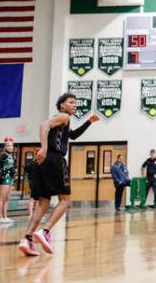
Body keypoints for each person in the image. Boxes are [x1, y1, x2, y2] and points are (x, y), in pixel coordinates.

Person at [18, 93, 99, 257]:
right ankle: (45, 231)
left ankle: (27, 239)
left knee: (43, 202)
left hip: (43, 162)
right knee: (65, 200)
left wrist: (89, 122)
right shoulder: (63, 116)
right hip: (54, 159)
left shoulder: (63, 122)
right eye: (71, 102)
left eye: (76, 103)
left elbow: (73, 136)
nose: (74, 105)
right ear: (62, 105)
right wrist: (45, 148)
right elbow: (43, 126)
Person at [0, 138, 17, 223]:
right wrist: (2, 171)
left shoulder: (12, 155)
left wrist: (13, 170)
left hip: (10, 178)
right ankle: (0, 216)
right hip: (4, 178)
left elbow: (11, 166)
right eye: (8, 145)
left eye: (11, 145)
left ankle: (5, 216)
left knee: (7, 198)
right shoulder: (3, 155)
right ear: (5, 147)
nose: (10, 147)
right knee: (2, 198)